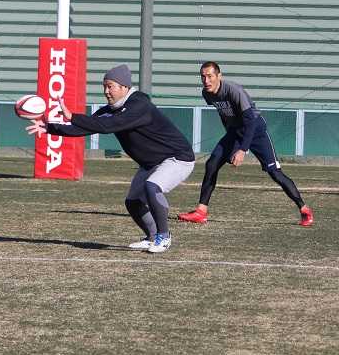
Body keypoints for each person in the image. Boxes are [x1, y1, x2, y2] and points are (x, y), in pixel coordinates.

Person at [27, 64, 194, 253]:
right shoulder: (112, 109)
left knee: (152, 186)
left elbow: (109, 125)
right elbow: (88, 126)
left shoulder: (140, 105)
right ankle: (152, 237)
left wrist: (72, 116)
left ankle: (164, 237)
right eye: (104, 86)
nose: (106, 91)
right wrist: (49, 128)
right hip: (151, 163)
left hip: (177, 158)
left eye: (110, 86)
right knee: (133, 202)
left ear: (124, 87)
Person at [178, 62, 313, 227]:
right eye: (203, 77)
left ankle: (304, 209)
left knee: (275, 173)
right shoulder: (207, 94)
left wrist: (242, 149)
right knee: (211, 164)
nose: (206, 80)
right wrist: (230, 137)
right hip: (235, 132)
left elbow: (250, 121)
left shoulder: (234, 91)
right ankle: (201, 211)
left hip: (255, 131)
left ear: (219, 76)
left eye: (210, 76)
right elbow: (223, 114)